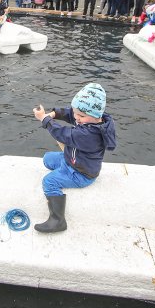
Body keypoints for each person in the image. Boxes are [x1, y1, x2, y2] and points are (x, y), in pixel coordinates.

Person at [32, 83, 116, 233]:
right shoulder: (93, 118)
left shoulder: (90, 135)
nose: (76, 117)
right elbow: (71, 113)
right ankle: (64, 169)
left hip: (81, 173)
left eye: (81, 115)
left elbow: (62, 134)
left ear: (96, 115)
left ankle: (58, 220)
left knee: (48, 181)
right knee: (47, 159)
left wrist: (44, 120)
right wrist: (55, 113)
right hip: (73, 159)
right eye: (77, 113)